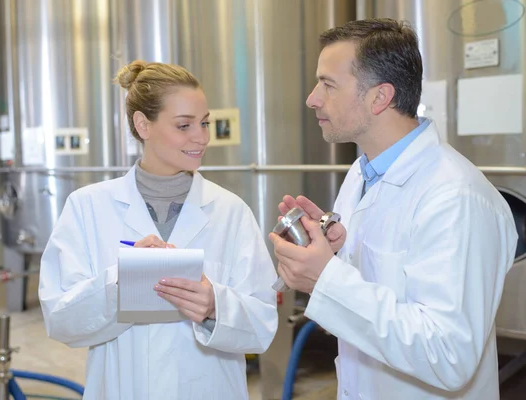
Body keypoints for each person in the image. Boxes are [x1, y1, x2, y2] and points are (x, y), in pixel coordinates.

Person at [270, 18, 518, 400]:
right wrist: (336, 253)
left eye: (328, 84)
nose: (312, 98)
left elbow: (449, 355)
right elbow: (381, 295)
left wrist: (327, 278)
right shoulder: (361, 174)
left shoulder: (455, 197)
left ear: (379, 97)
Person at [38, 60, 278, 399]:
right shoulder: (87, 207)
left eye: (205, 123)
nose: (201, 137)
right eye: (184, 125)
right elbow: (61, 321)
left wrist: (214, 306)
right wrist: (117, 282)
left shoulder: (230, 211)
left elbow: (263, 324)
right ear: (143, 125)